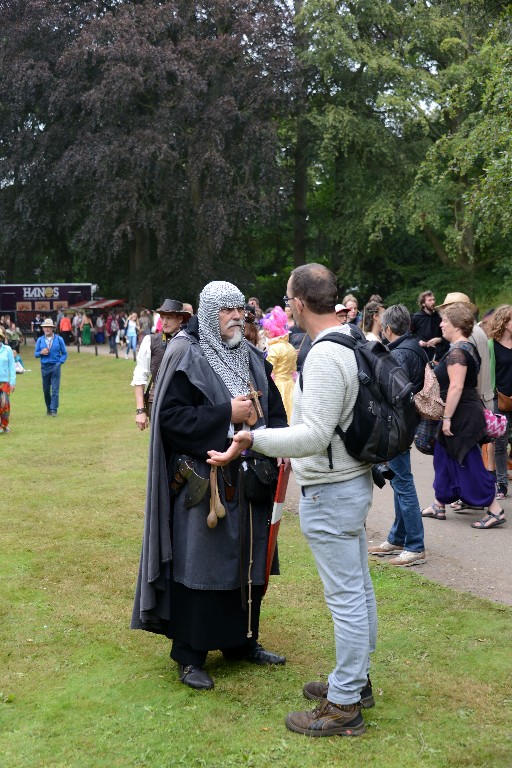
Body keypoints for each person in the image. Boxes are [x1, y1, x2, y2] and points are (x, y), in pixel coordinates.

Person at [208, 264, 376, 738]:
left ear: (299, 302)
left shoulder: (324, 355)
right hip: (352, 482)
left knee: (346, 597)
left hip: (333, 488)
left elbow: (314, 435)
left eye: (287, 299)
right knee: (358, 589)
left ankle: (344, 705)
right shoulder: (352, 339)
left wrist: (251, 438)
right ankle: (355, 682)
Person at [131, 281, 288, 691]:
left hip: (251, 481)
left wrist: (278, 439)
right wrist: (226, 414)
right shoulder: (187, 355)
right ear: (209, 310)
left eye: (240, 309)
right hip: (206, 485)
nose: (237, 316)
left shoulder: (253, 358)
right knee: (200, 566)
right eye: (227, 310)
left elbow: (277, 411)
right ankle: (190, 656)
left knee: (248, 564)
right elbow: (172, 420)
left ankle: (242, 642)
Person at [421, 303, 504, 529]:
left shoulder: (458, 352)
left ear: (456, 324)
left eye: (445, 321)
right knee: (443, 456)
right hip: (461, 411)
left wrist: (447, 418)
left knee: (469, 462)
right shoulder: (464, 347)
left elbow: (457, 387)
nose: (441, 324)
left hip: (461, 415)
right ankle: (439, 503)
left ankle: (495, 510)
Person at [368, 304, 428, 566]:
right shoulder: (414, 347)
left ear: (388, 328)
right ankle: (398, 537)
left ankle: (415, 545)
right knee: (398, 480)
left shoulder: (401, 354)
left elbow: (393, 393)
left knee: (403, 483)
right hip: (405, 424)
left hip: (398, 427)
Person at [131, 299, 192, 430]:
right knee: (161, 447)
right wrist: (140, 411)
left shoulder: (191, 342)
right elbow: (140, 376)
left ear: (180, 319)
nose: (164, 322)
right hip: (159, 402)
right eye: (162, 317)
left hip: (187, 404)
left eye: (169, 318)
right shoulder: (151, 341)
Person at [488, 305, 512, 500]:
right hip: (500, 399)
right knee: (500, 444)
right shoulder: (491, 345)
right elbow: (488, 375)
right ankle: (501, 484)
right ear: (504, 322)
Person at [261, 306, 296, 423]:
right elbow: (293, 371)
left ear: (275, 330)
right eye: (265, 329)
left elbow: (268, 371)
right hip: (291, 387)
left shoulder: (274, 348)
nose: (265, 331)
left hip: (278, 387)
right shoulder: (290, 347)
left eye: (268, 329)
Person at [34, 318, 68, 416]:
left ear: (52, 328)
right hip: (44, 367)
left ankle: (54, 409)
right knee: (45, 390)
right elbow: (35, 354)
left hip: (55, 366)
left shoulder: (59, 339)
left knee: (55, 389)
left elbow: (64, 354)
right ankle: (48, 407)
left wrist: (59, 363)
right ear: (43, 329)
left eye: (49, 327)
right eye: (45, 327)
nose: (47, 329)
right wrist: (41, 352)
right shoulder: (40, 340)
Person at [411, 290, 448, 361]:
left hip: (439, 355)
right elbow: (409, 335)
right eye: (430, 300)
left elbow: (448, 334)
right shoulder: (416, 317)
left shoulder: (440, 316)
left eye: (433, 299)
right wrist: (418, 341)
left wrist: (440, 339)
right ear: (423, 303)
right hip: (423, 354)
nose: (433, 302)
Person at [0, 326, 16, 433]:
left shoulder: (7, 349)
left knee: (4, 404)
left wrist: (13, 382)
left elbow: (12, 366)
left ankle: (4, 426)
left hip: (4, 382)